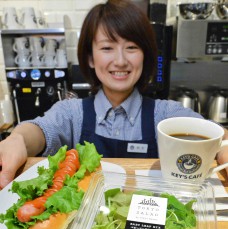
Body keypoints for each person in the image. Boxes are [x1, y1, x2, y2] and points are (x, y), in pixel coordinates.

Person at [0, 0, 228, 189]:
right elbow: (39, 130)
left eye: (131, 47)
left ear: (145, 56)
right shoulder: (71, 112)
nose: (120, 60)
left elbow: (216, 136)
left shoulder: (165, 113)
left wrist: (225, 147)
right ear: (90, 58)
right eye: (107, 48)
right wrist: (17, 139)